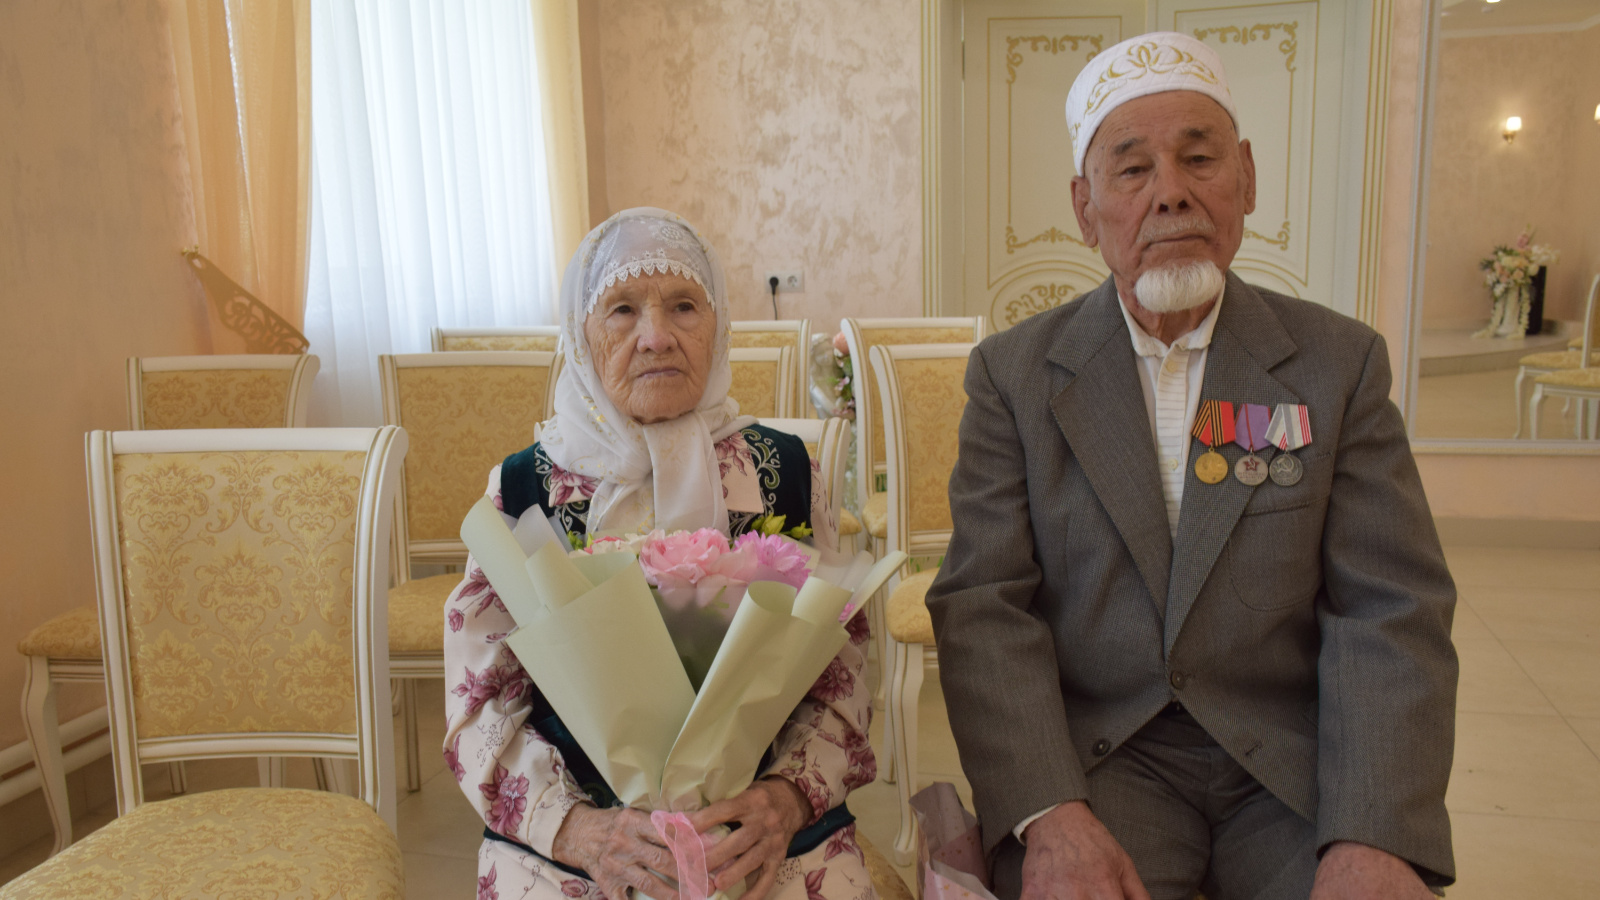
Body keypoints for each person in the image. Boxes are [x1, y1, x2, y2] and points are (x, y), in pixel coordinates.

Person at [925, 33, 1458, 900]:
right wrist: (1049, 813)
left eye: (1199, 159)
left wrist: (1373, 834)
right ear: (1084, 208)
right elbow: (984, 608)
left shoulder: (1337, 365)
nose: (1170, 192)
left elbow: (1391, 608)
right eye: (1132, 169)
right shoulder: (1014, 377)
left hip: (1290, 767)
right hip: (1104, 762)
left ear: (1245, 178)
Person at [444, 208, 878, 900]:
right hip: (581, 839)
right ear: (580, 333)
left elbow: (843, 668)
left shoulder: (785, 470)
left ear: (718, 323)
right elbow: (481, 704)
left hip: (760, 828)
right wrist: (577, 830)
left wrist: (786, 799)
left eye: (683, 306)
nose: (656, 336)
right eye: (622, 309)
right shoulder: (523, 490)